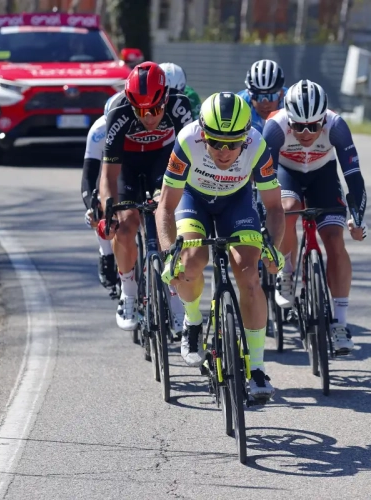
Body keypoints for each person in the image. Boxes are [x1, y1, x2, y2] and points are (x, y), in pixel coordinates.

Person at [156, 92, 285, 400]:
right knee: (189, 263)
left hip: (236, 204)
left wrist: (273, 247)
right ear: (203, 133)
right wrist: (168, 252)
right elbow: (164, 205)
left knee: (250, 277)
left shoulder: (257, 145)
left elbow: (275, 208)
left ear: (246, 136)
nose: (225, 152)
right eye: (215, 142)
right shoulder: (187, 141)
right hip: (193, 201)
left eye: (233, 143)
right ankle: (193, 320)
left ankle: (256, 367)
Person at [262, 80, 367, 355]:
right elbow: (262, 178)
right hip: (288, 173)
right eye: (298, 126)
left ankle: (340, 323)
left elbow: (352, 176)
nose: (306, 133)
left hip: (323, 173)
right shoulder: (275, 127)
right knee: (286, 208)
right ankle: (287, 270)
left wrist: (358, 217)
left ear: (324, 118)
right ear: (289, 119)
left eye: (313, 126)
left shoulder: (337, 126)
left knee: (334, 239)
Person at [100, 62, 193, 333]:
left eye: (154, 109)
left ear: (165, 97)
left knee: (169, 221)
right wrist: (109, 211)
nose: (149, 116)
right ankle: (128, 292)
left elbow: (193, 158)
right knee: (126, 227)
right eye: (140, 110)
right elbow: (108, 176)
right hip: (127, 163)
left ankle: (176, 302)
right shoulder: (118, 111)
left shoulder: (179, 106)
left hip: (162, 159)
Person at [82, 91, 125, 290]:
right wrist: (91, 206)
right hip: (109, 172)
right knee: (99, 203)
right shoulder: (98, 131)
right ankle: (107, 254)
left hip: (130, 169)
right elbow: (89, 175)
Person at [236, 59, 288, 133]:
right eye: (258, 97)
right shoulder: (239, 105)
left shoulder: (292, 102)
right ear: (249, 95)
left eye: (271, 97)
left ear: (281, 94)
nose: (265, 105)